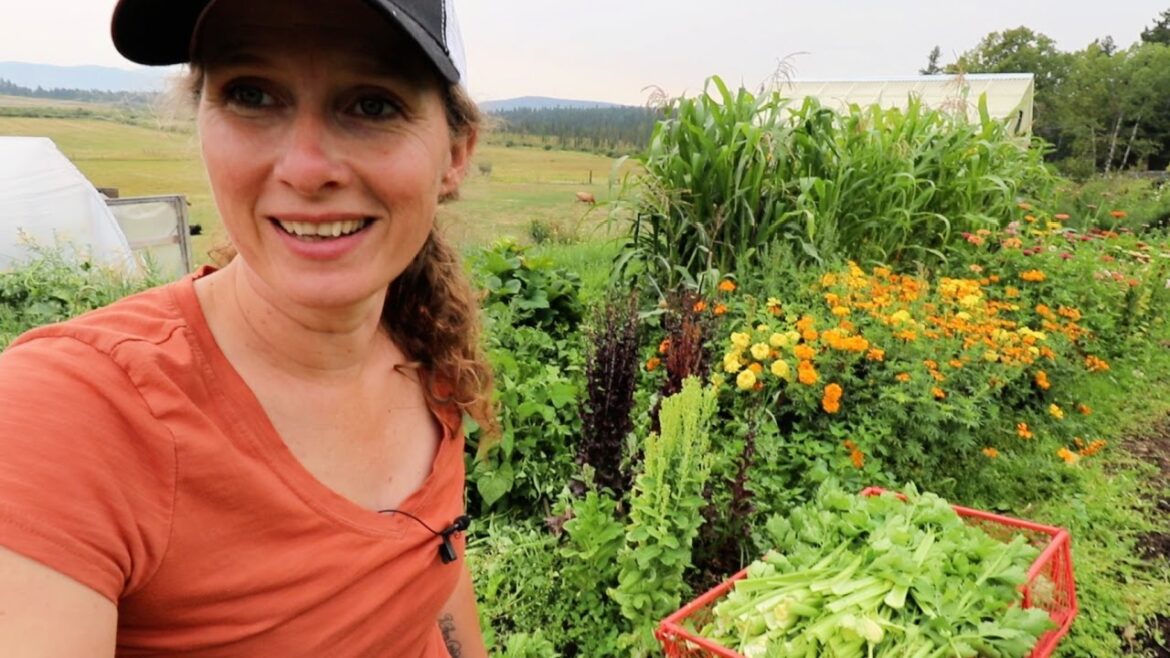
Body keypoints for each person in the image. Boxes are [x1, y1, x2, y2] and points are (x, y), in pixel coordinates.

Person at [0, 0, 494, 655]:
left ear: (454, 155)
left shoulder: (423, 346)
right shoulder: (70, 414)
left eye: (372, 105)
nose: (306, 168)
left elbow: (434, 578)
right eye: (252, 95)